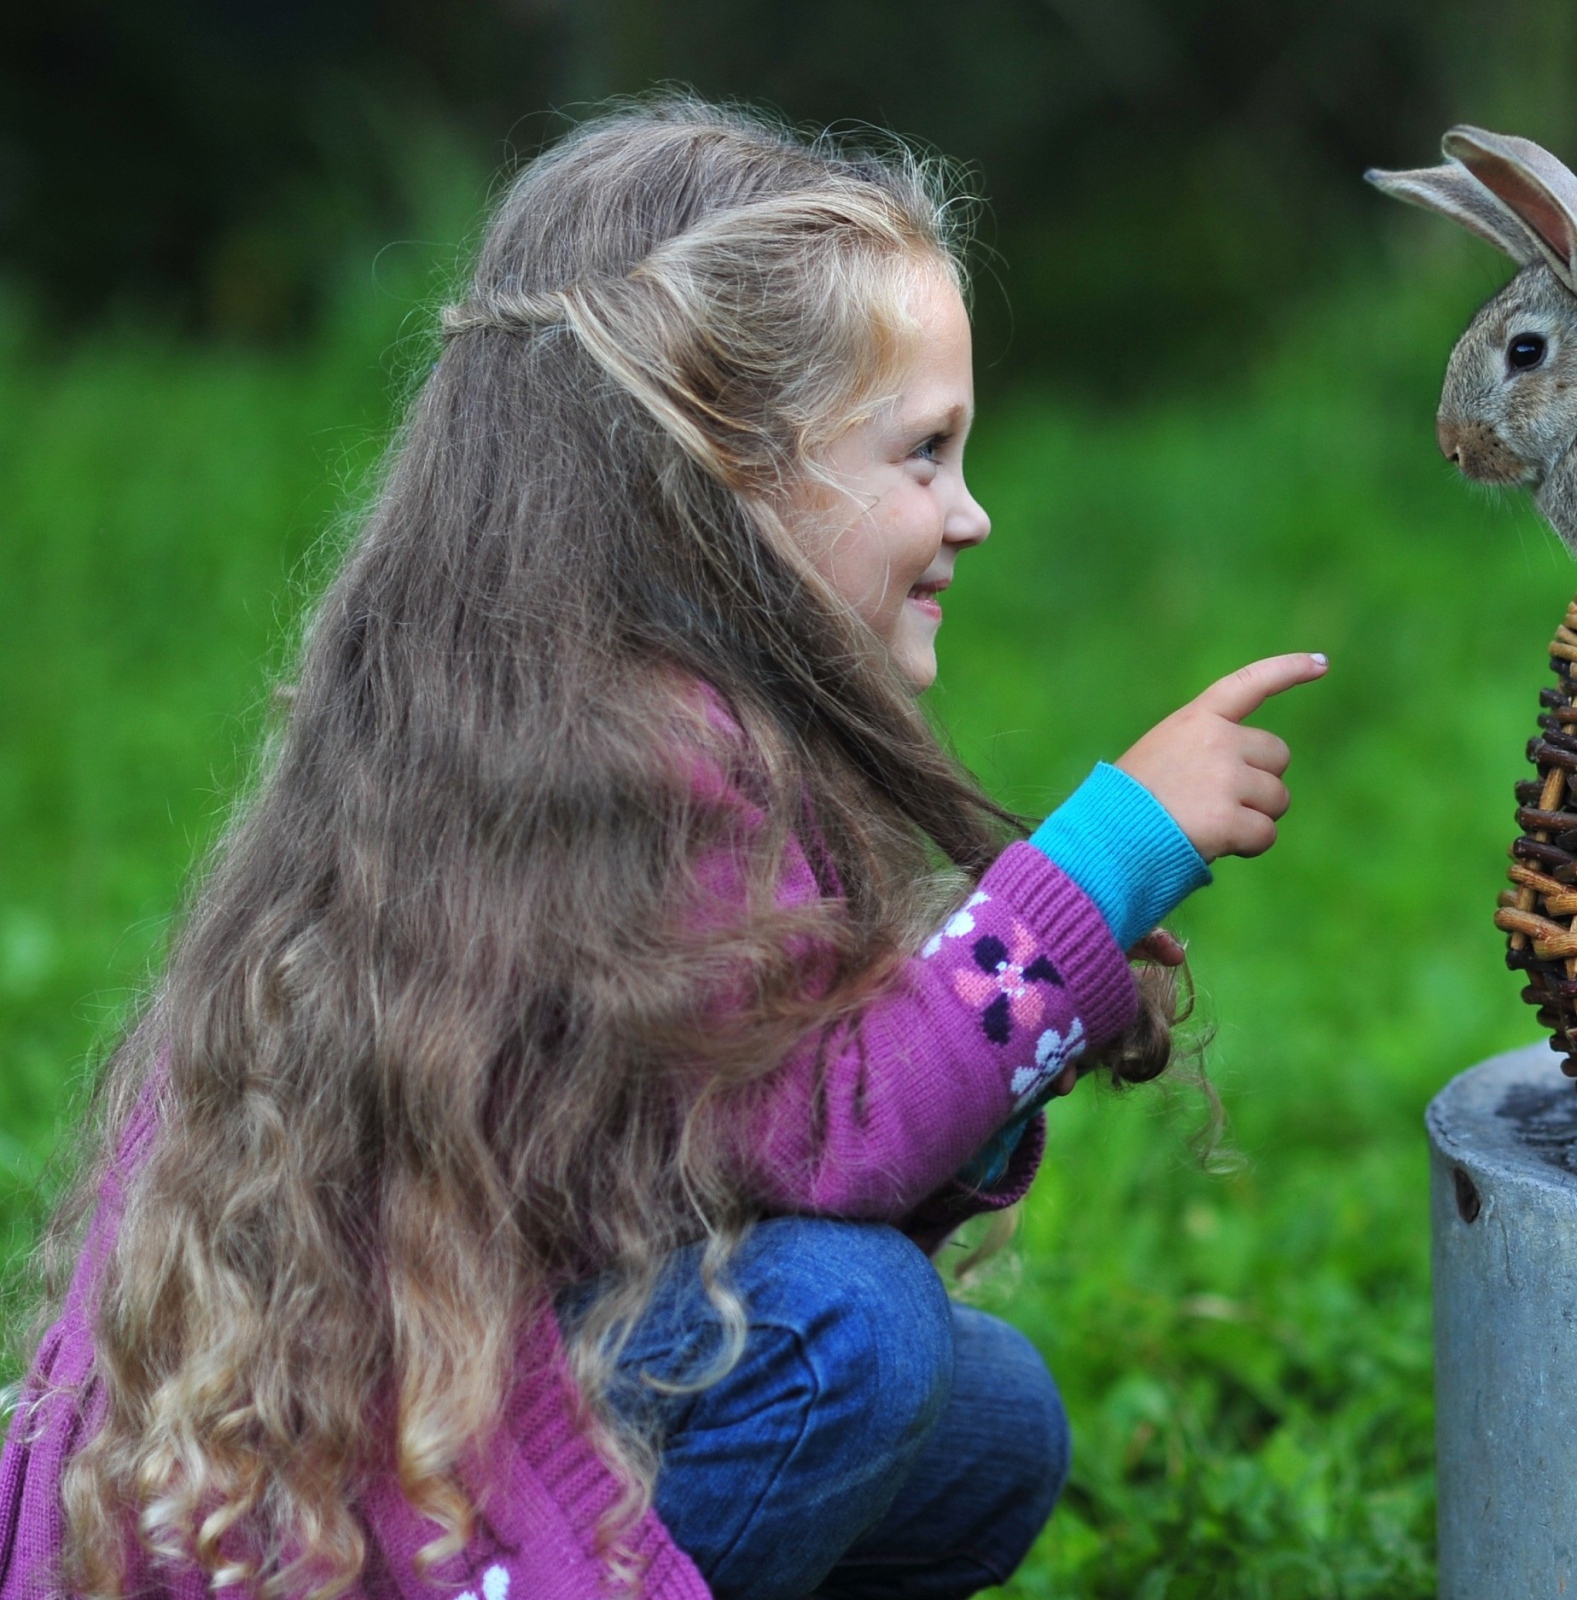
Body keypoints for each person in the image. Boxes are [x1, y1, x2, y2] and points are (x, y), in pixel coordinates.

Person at [0, 98, 1325, 1600]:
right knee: (852, 1336)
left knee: (992, 1423)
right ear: (727, 464)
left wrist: (1006, 993)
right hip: (375, 1504)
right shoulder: (618, 753)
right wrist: (1098, 872)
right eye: (924, 454)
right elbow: (830, 1136)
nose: (972, 514)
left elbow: (744, 1152)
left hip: (465, 1411)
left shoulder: (568, 707)